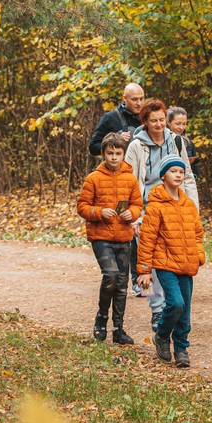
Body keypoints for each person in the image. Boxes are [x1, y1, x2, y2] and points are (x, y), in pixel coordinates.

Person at [125, 99, 199, 331]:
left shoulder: (176, 140)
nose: (158, 125)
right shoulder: (136, 145)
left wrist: (193, 208)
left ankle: (169, 305)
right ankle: (155, 308)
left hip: (175, 206)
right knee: (146, 262)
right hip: (147, 207)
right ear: (145, 122)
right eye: (153, 121)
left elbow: (187, 176)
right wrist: (134, 216)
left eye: (161, 120)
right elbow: (130, 182)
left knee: (173, 258)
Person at [136, 154, 205, 368]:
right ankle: (163, 335)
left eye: (181, 172)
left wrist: (199, 254)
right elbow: (147, 238)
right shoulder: (155, 206)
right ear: (163, 176)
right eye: (173, 171)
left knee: (185, 310)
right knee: (175, 303)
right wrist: (145, 270)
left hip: (186, 263)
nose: (178, 175)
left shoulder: (189, 205)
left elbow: (197, 234)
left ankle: (182, 348)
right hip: (165, 263)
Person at [76, 133, 143, 345]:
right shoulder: (93, 178)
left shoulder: (130, 179)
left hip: (124, 237)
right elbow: (82, 206)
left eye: (118, 153)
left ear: (124, 155)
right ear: (103, 154)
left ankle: (118, 329)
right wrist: (98, 212)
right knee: (111, 276)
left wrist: (131, 214)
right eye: (110, 153)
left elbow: (137, 204)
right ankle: (101, 319)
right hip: (101, 237)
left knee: (122, 284)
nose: (114, 158)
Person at [88, 83, 144, 156]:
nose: (139, 103)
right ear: (124, 98)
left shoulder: (148, 117)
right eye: (134, 99)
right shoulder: (110, 118)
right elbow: (93, 148)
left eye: (141, 99)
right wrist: (115, 140)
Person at [167, 106, 200, 179]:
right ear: (169, 123)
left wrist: (194, 164)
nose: (181, 127)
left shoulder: (189, 144)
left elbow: (195, 174)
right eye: (178, 124)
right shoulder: (162, 141)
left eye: (184, 124)